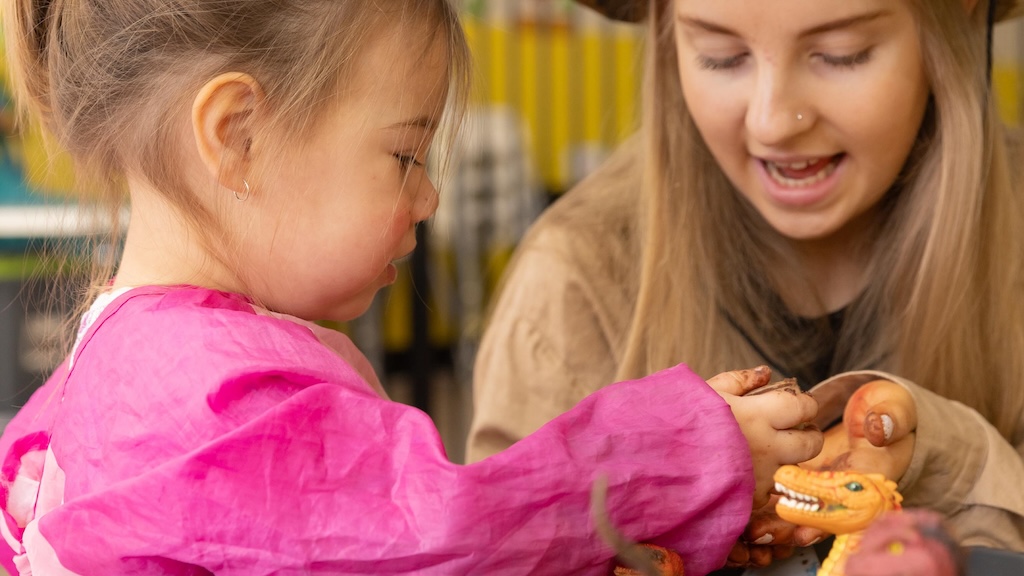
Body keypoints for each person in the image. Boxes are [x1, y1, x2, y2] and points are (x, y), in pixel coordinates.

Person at [0, 1, 823, 574]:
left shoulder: (117, 362)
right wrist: (689, 455)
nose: (427, 196)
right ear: (238, 136)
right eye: (404, 155)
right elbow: (450, 538)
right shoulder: (217, 400)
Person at [468, 0, 1024, 569]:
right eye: (721, 56)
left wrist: (945, 458)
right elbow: (503, 548)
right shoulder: (572, 279)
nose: (772, 121)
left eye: (842, 54)